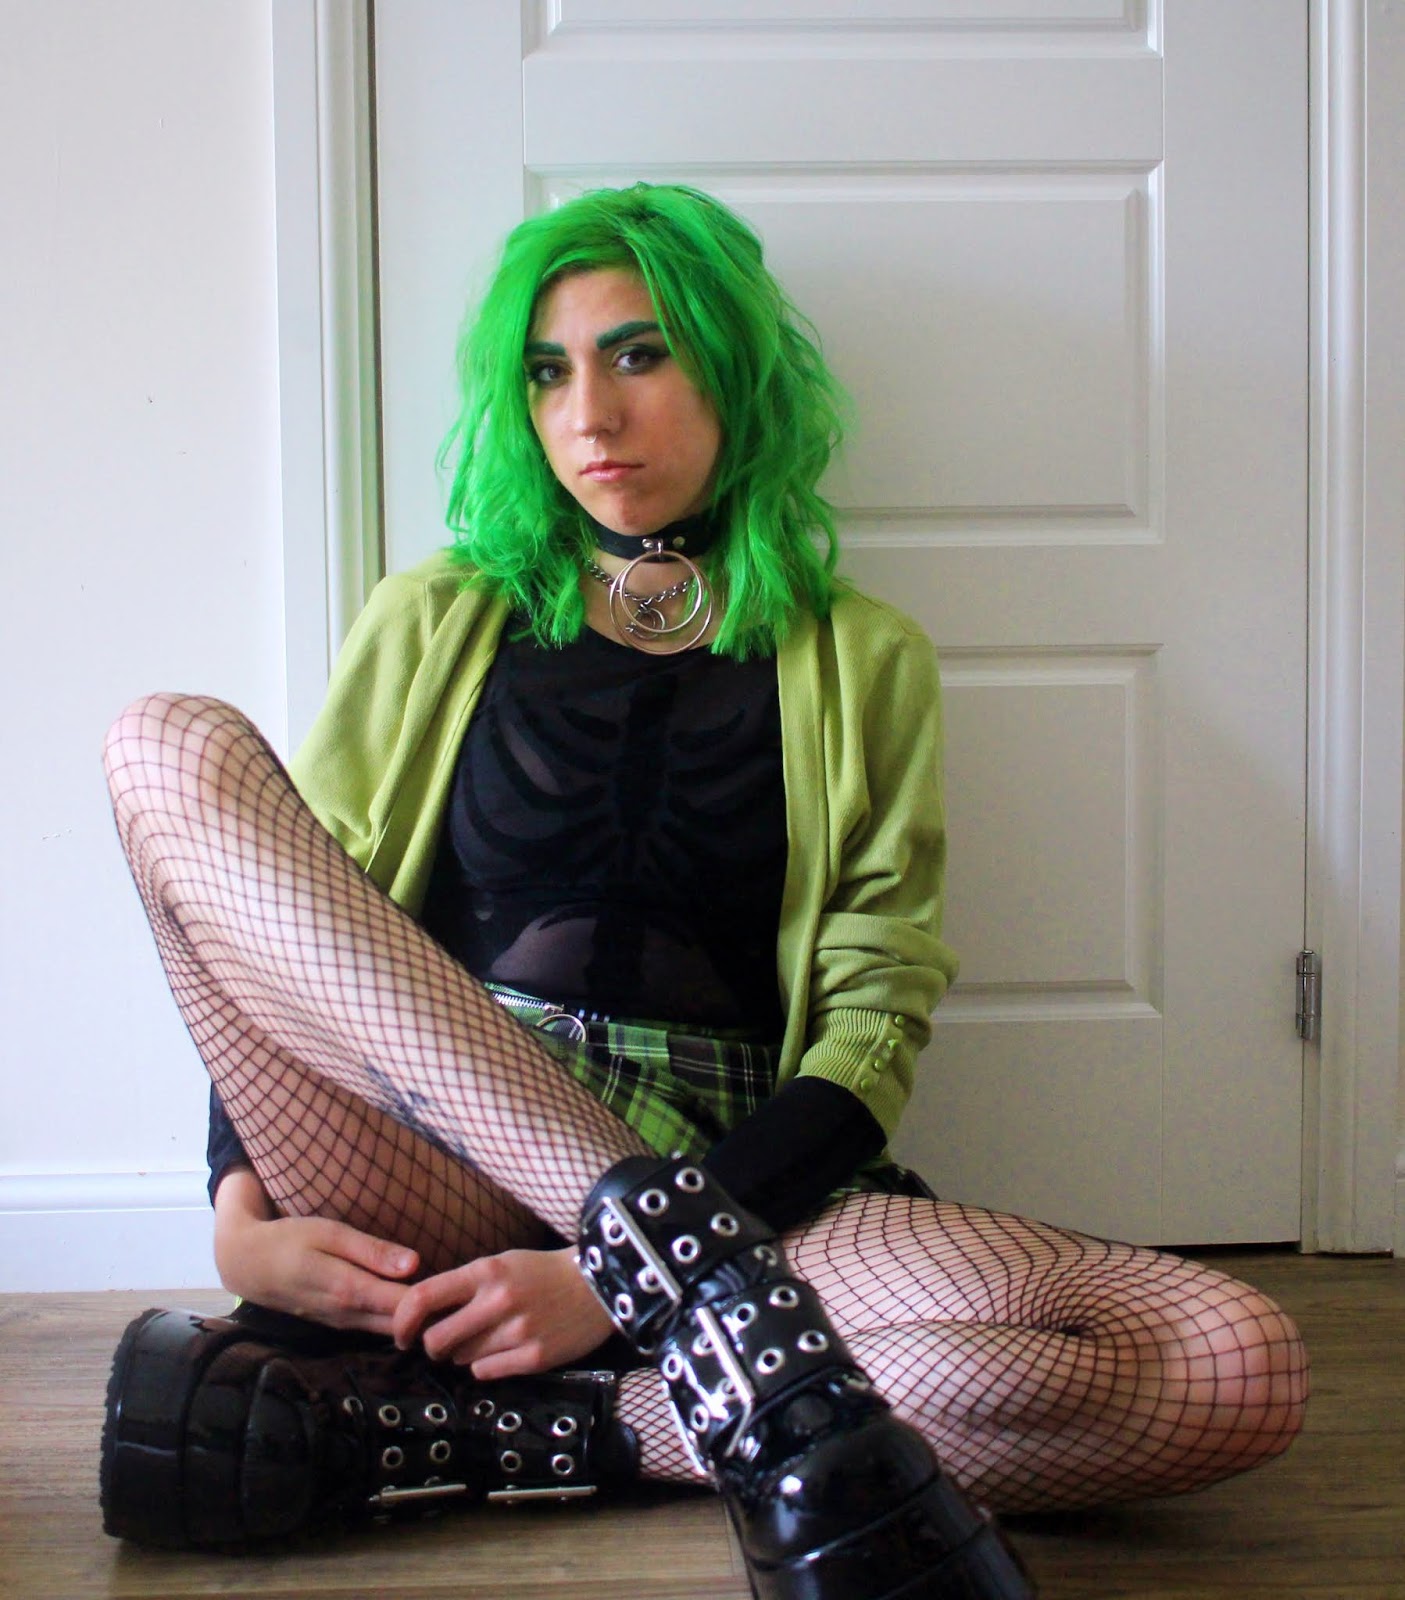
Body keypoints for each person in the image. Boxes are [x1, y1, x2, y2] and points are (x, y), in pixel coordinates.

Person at [98, 184, 1306, 1597]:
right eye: (546, 372)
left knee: (1224, 1362)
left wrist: (625, 1267)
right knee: (162, 742)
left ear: (733, 370)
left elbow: (872, 1019)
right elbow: (293, 924)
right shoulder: (434, 617)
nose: (589, 416)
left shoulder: (862, 656)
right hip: (440, 1133)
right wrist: (236, 1204)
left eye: (638, 355)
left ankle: (546, 1426)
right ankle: (696, 1311)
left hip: (733, 1176)